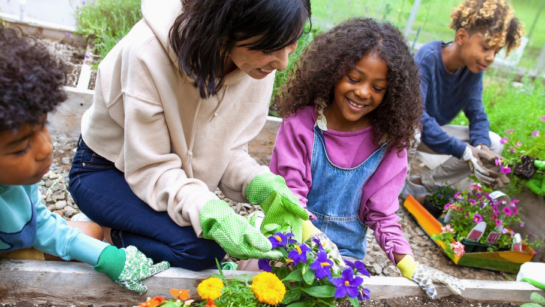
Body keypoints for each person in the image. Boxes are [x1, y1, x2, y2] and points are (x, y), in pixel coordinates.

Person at [68, 0, 311, 271]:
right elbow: (152, 167)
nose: (282, 63)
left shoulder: (257, 66)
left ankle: (124, 224)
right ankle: (106, 232)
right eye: (268, 48)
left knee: (208, 245)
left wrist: (259, 183)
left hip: (173, 176)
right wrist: (208, 208)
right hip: (108, 171)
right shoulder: (146, 53)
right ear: (224, 24)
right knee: (202, 252)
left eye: (291, 43)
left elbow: (226, 149)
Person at [271, 18, 464, 299]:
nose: (363, 92)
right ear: (332, 72)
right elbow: (289, 200)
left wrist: (410, 265)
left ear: (391, 91)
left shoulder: (389, 142)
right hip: (290, 243)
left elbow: (383, 215)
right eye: (354, 78)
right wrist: (315, 242)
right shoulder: (302, 125)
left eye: (378, 87)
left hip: (345, 260)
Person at [0, 24, 168, 294]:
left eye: (44, 126)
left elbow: (37, 220)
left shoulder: (18, 179)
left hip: (14, 238)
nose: (45, 149)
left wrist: (106, 258)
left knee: (91, 234)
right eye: (20, 149)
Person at [402, 0, 523, 199]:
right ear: (461, 36)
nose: (491, 57)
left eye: (496, 51)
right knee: (412, 130)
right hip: (406, 133)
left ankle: (420, 184)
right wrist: (465, 152)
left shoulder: (473, 70)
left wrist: (482, 149)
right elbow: (416, 116)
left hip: (432, 136)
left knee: (493, 143)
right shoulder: (428, 58)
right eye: (485, 48)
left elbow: (477, 114)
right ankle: (392, 181)